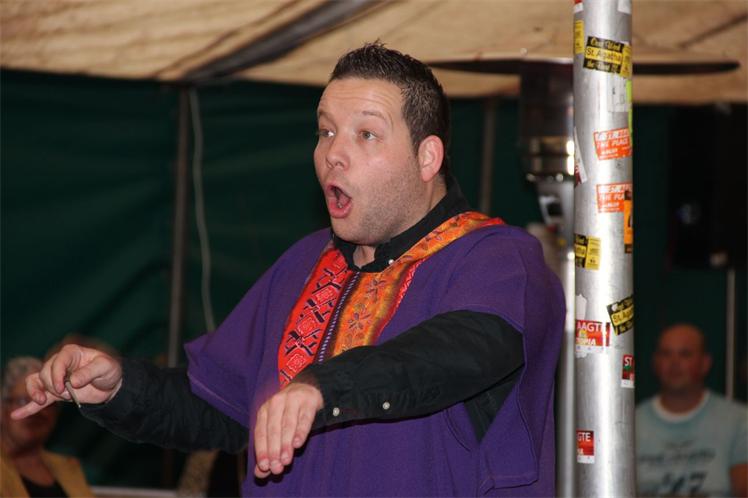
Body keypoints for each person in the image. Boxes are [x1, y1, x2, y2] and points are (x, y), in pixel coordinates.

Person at [12, 43, 564, 496]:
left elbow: (457, 352)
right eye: (326, 131)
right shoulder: (304, 263)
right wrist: (120, 387)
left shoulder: (494, 257)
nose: (333, 153)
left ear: (428, 158)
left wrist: (324, 386)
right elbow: (218, 405)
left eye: (366, 134)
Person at [637, 323, 748, 497]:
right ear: (655, 362)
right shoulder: (630, 424)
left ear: (705, 363)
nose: (674, 363)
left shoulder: (740, 421)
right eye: (666, 354)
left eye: (685, 354)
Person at [1, 356, 94, 497]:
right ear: (2, 407)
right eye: (23, 401)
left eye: (46, 402)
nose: (36, 411)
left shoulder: (68, 467)